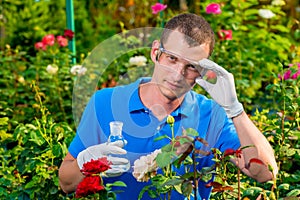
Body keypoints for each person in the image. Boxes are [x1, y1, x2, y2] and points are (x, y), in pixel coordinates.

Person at [59, 13, 278, 199]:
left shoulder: (212, 116)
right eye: (172, 59)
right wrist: (85, 162)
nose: (178, 75)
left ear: (204, 71)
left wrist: (235, 109)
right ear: (156, 53)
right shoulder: (105, 102)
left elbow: (265, 173)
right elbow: (66, 183)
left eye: (191, 66)